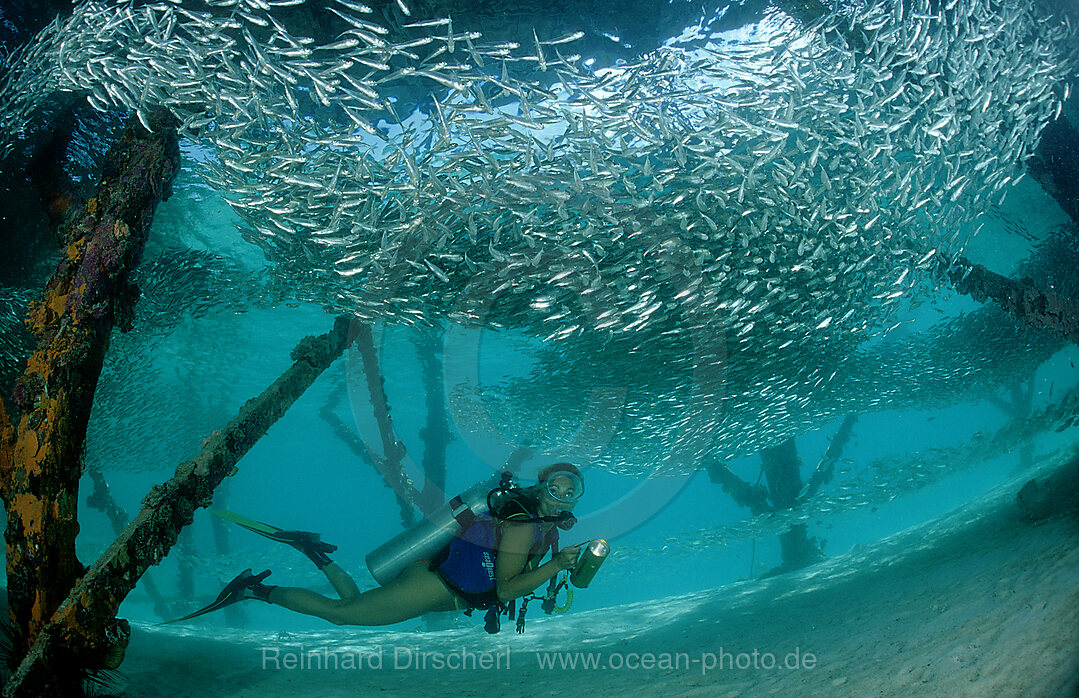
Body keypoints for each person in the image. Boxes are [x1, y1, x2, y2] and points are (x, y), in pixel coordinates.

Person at [176, 464, 584, 629]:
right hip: (435, 585)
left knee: (354, 603)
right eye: (555, 488)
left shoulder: (544, 524)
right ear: (541, 486)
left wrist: (559, 573)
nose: (562, 497)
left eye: (571, 491)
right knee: (341, 616)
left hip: (446, 589)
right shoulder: (523, 526)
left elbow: (518, 582)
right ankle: (252, 590)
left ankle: (312, 552)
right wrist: (559, 565)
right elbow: (508, 588)